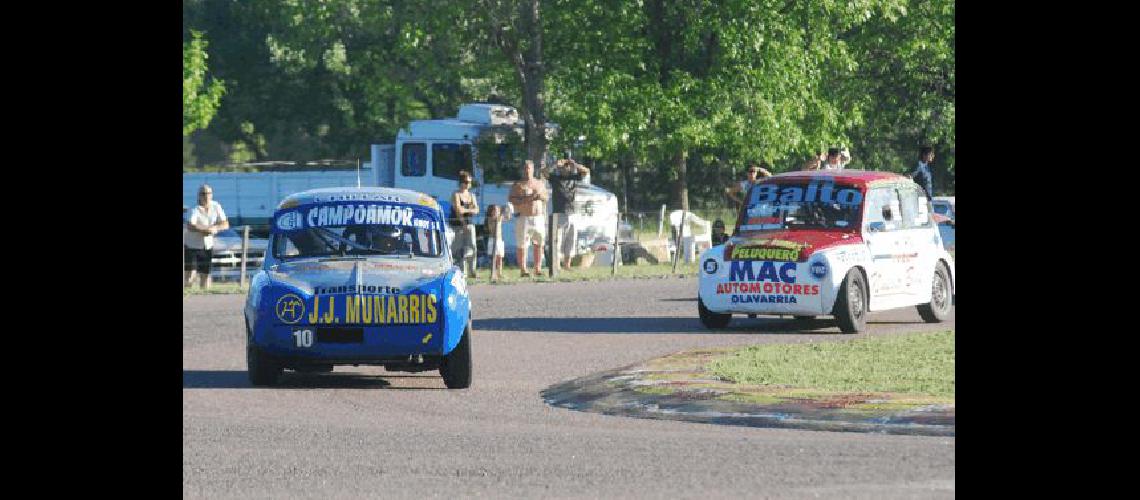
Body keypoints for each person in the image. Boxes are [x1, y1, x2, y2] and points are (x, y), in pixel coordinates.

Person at [545, 158, 590, 271]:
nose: (565, 168)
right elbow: (544, 173)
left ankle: (567, 264)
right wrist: (555, 164)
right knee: (557, 239)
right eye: (563, 166)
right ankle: (556, 265)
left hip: (572, 212)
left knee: (571, 239)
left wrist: (575, 164)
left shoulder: (574, 178)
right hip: (559, 212)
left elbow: (586, 171)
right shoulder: (555, 178)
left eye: (566, 166)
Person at [508, 160, 548, 277]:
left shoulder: (539, 183)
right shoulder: (518, 185)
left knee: (539, 243)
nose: (527, 170)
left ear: (533, 169)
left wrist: (540, 196)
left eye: (529, 168)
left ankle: (538, 268)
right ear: (522, 170)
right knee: (522, 244)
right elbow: (512, 199)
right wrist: (526, 199)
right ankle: (523, 269)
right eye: (525, 168)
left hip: (538, 217)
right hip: (524, 218)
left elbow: (546, 197)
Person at [184, 184, 229, 289]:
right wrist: (204, 230)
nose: (206, 196)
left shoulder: (216, 206)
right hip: (192, 245)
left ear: (212, 195)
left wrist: (215, 228)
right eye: (203, 194)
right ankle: (187, 294)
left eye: (208, 193)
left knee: (205, 274)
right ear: (199, 196)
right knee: (190, 275)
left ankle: (204, 294)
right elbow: (190, 225)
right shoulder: (194, 208)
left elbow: (225, 224)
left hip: (207, 245)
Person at [450, 170, 480, 277]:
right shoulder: (456, 194)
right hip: (458, 225)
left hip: (470, 224)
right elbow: (458, 210)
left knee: (472, 246)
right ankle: (462, 271)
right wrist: (463, 221)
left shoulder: (472, 195)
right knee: (459, 248)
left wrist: (466, 210)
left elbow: (476, 209)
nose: (468, 185)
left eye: (470, 182)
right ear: (461, 182)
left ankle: (473, 270)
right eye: (466, 182)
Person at [484, 204, 509, 282]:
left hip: (499, 239)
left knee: (500, 257)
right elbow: (498, 218)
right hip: (492, 240)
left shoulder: (499, 218)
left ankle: (499, 273)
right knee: (493, 257)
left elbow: (507, 218)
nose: (496, 212)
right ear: (491, 212)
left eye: (498, 211)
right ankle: (493, 272)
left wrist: (508, 210)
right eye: (495, 210)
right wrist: (502, 213)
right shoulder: (490, 219)